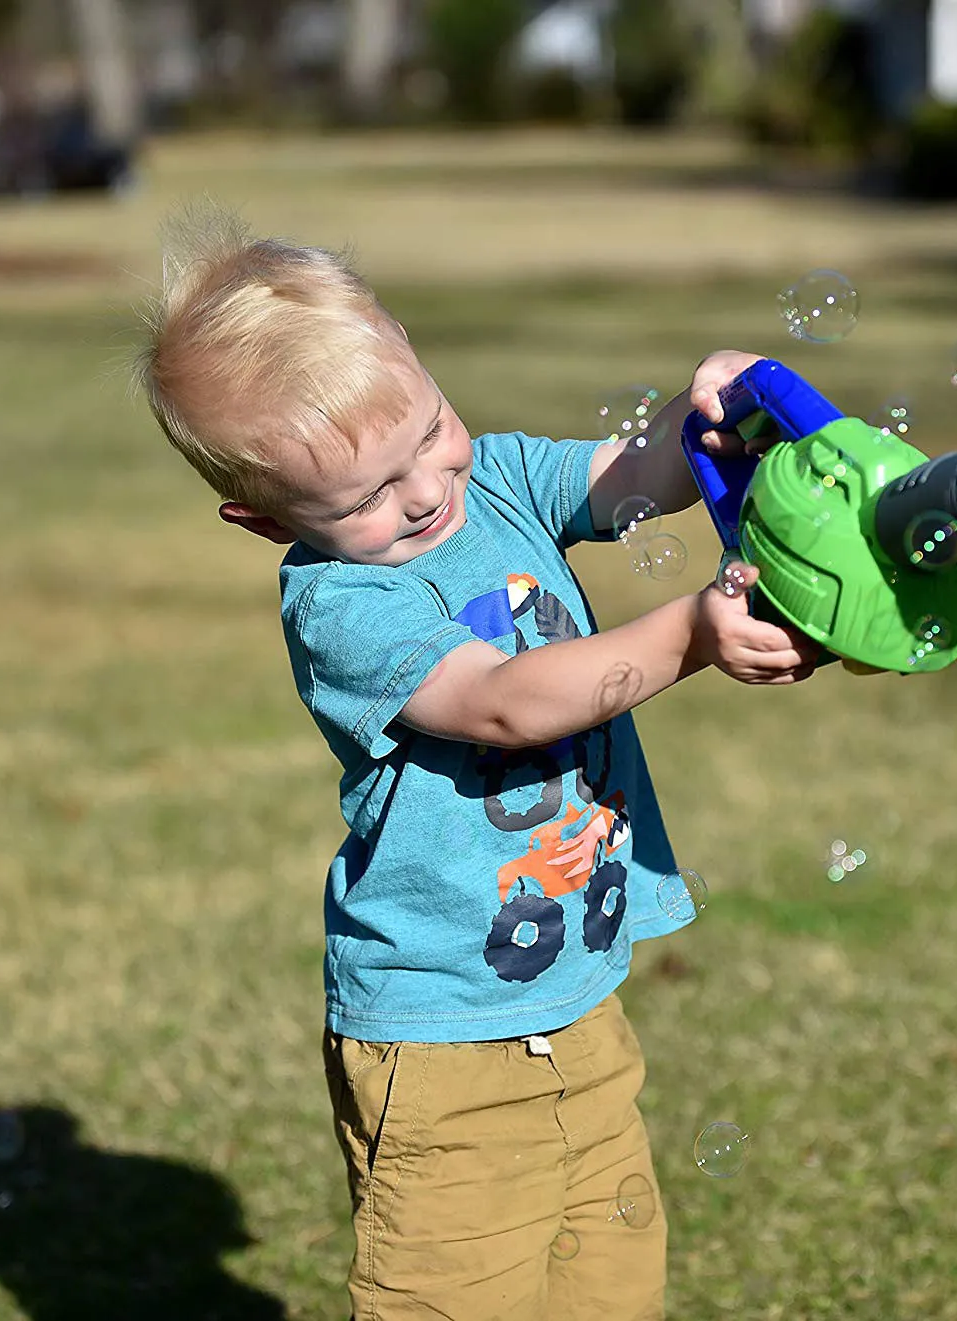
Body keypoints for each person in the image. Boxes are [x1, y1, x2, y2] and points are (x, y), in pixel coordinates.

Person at [133, 210, 819, 1321]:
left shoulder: (492, 477)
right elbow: (506, 705)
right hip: (440, 1045)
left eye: (428, 429)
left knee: (608, 1292)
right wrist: (689, 634)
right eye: (363, 496)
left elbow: (635, 476)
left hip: (579, 995)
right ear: (262, 522)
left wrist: (717, 419)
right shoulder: (344, 602)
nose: (420, 491)